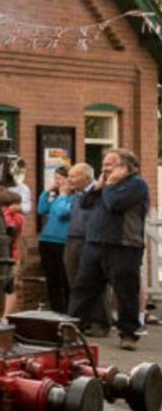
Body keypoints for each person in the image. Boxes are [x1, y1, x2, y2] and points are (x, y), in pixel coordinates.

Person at [68, 148, 150, 350]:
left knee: (125, 292)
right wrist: (97, 187)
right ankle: (69, 329)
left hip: (123, 246)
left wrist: (110, 186)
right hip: (95, 243)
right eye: (104, 164)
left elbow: (115, 204)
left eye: (110, 164)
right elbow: (85, 203)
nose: (104, 168)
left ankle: (128, 334)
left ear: (126, 167)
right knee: (83, 289)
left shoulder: (137, 184)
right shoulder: (104, 186)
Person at [63, 162, 109, 335]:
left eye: (74, 176)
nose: (70, 180)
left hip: (90, 240)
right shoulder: (75, 194)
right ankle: (81, 321)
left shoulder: (97, 192)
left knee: (93, 282)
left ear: (87, 177)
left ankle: (100, 322)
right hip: (73, 239)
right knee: (75, 282)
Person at [36, 166, 73, 312]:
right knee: (52, 280)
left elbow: (62, 212)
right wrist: (46, 192)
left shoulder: (74, 198)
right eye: (55, 179)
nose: (57, 182)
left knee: (65, 279)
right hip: (47, 240)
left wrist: (63, 195)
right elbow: (42, 209)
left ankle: (69, 311)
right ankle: (56, 310)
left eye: (60, 179)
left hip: (63, 242)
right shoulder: (57, 196)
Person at [0, 189, 25, 316]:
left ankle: (6, 315)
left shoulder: (17, 218)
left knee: (11, 287)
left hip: (12, 255)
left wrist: (8, 211)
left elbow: (9, 226)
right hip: (0, 255)